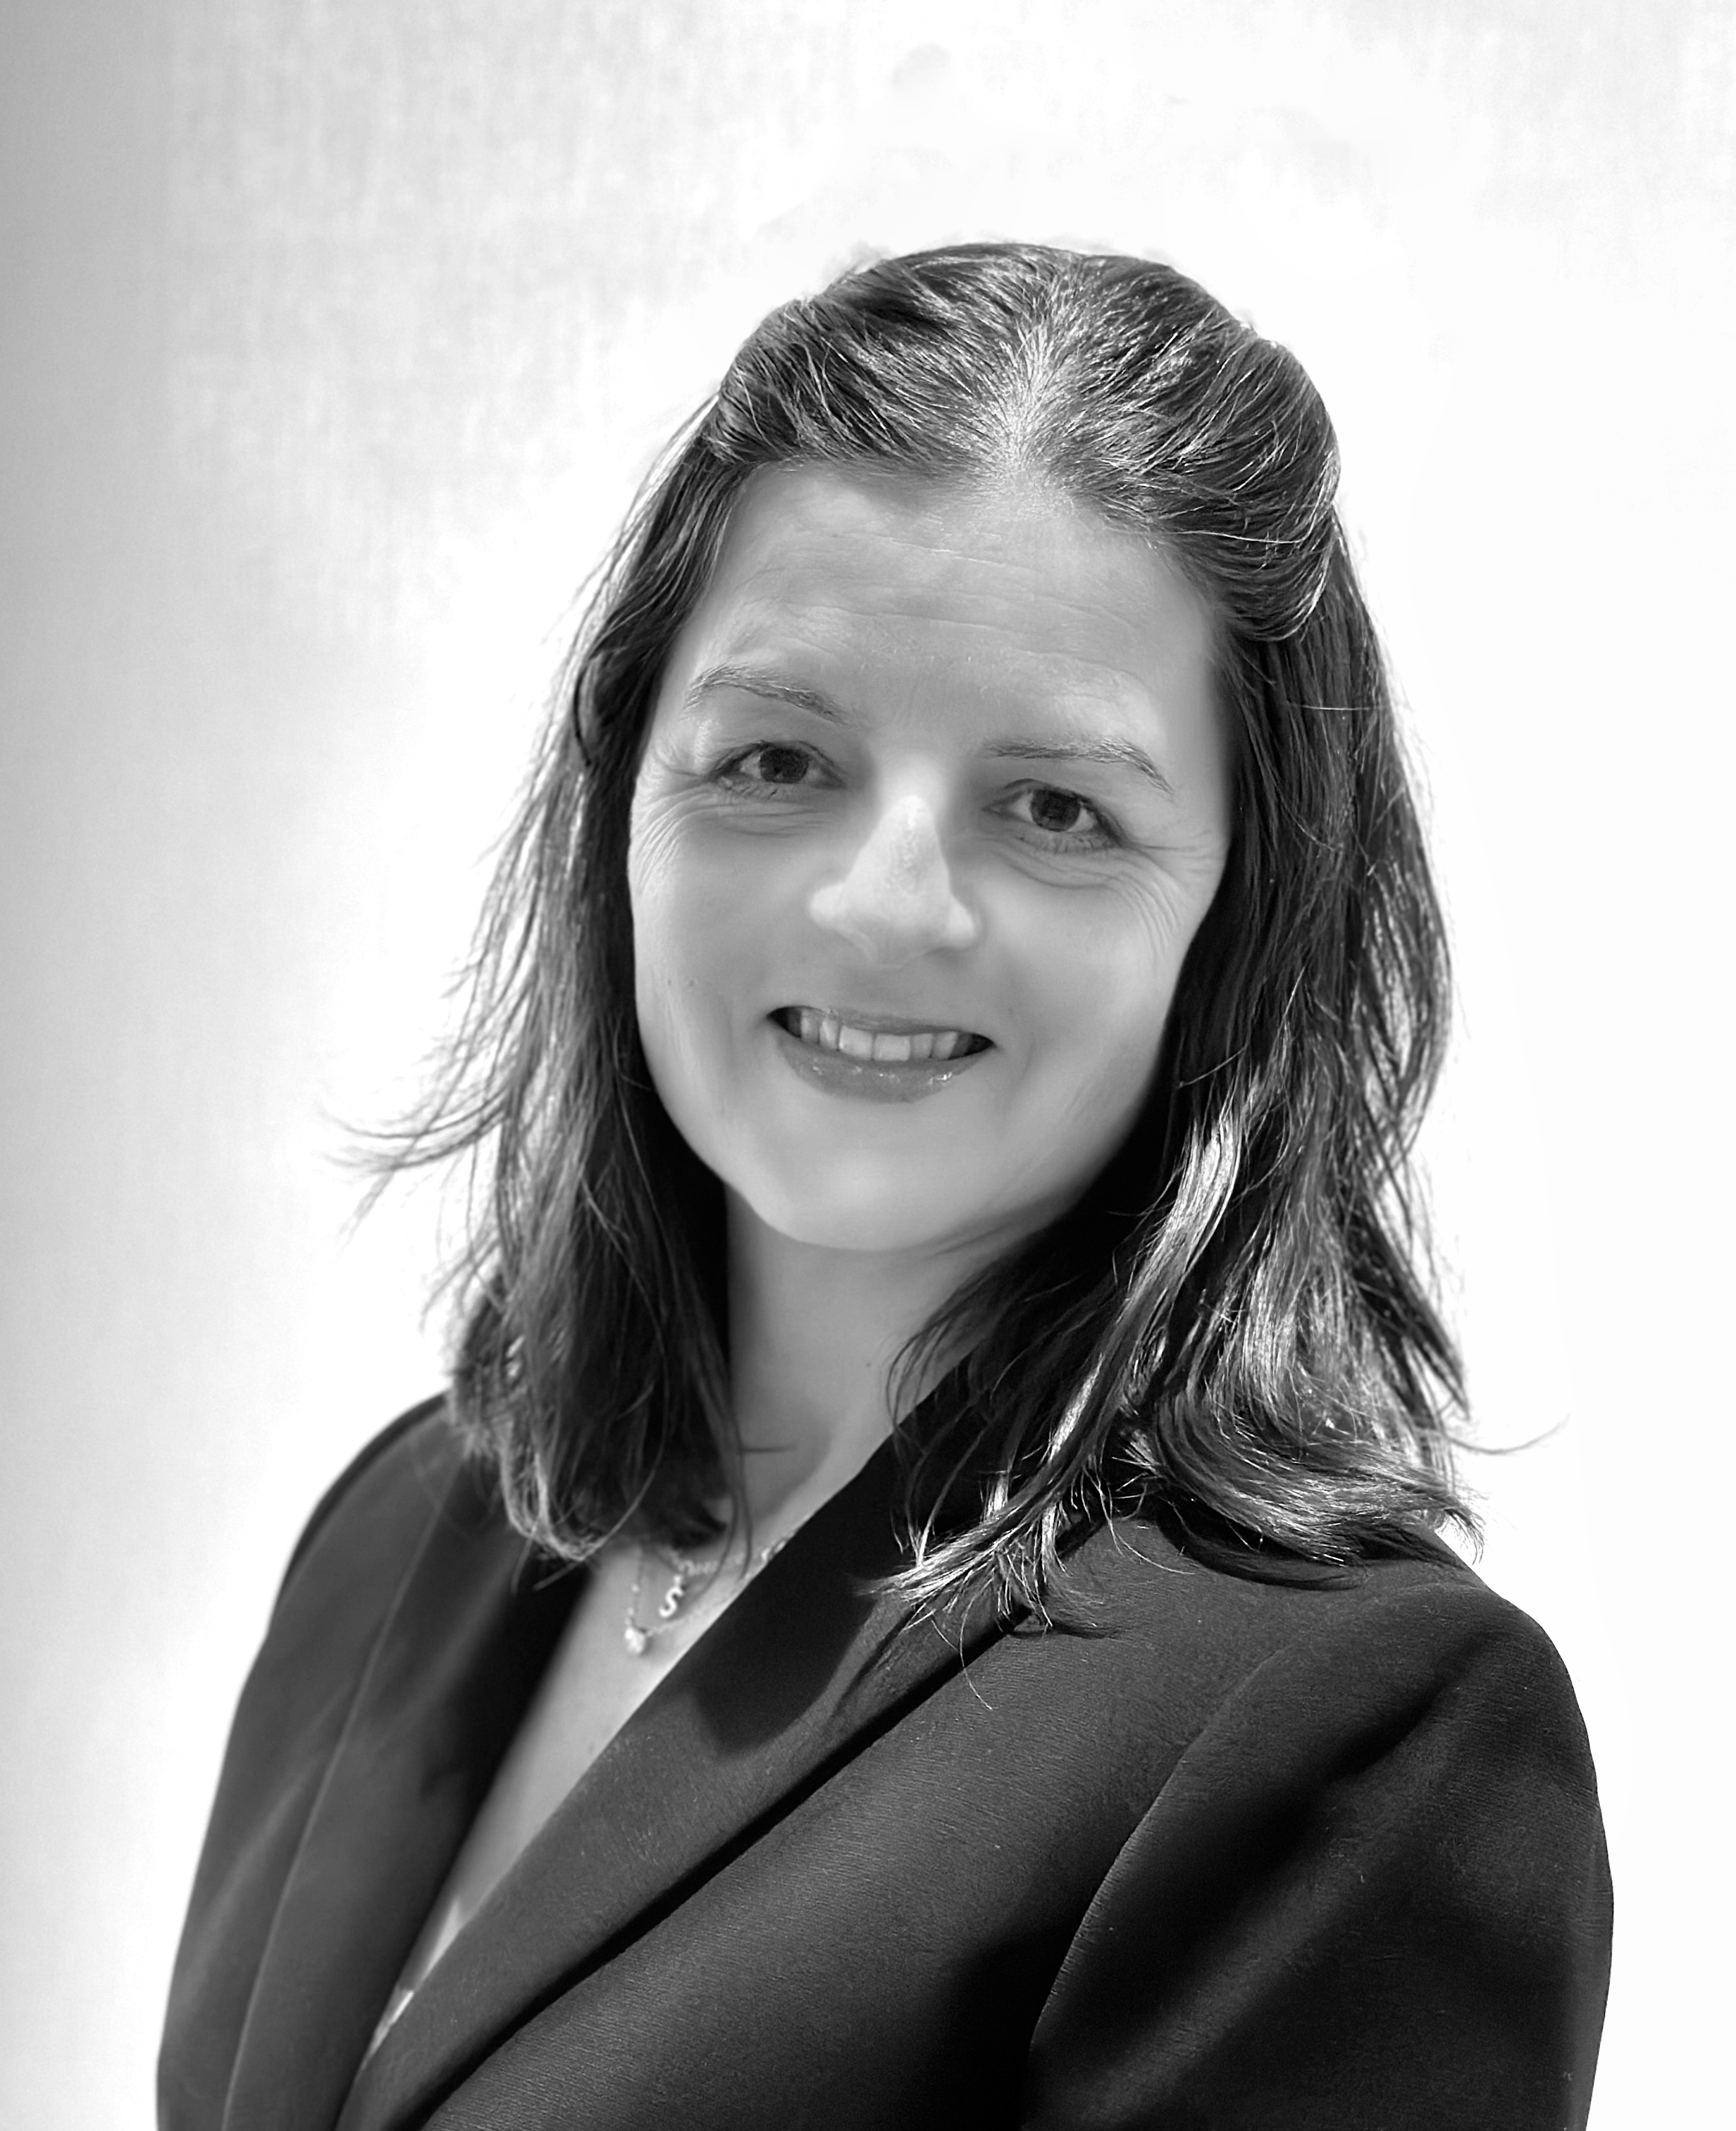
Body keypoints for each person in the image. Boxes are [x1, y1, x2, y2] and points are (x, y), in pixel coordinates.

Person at [159, 242, 1611, 2131]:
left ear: (1242, 916)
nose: (883, 904)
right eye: (778, 759)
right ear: (625, 807)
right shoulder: (399, 1533)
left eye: (1056, 808)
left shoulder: (1361, 1743)